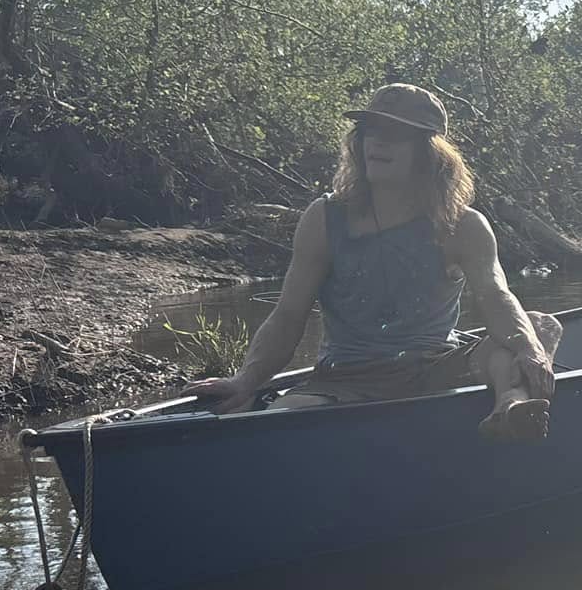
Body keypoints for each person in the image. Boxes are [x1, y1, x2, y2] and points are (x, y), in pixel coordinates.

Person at [186, 83, 561, 441]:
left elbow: (495, 295)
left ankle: (510, 409)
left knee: (539, 328)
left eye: (396, 133)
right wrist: (245, 382)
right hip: (343, 380)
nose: (378, 141)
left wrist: (528, 348)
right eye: (371, 130)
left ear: (429, 152)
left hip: (434, 370)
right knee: (276, 422)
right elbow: (288, 316)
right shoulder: (323, 219)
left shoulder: (462, 225)